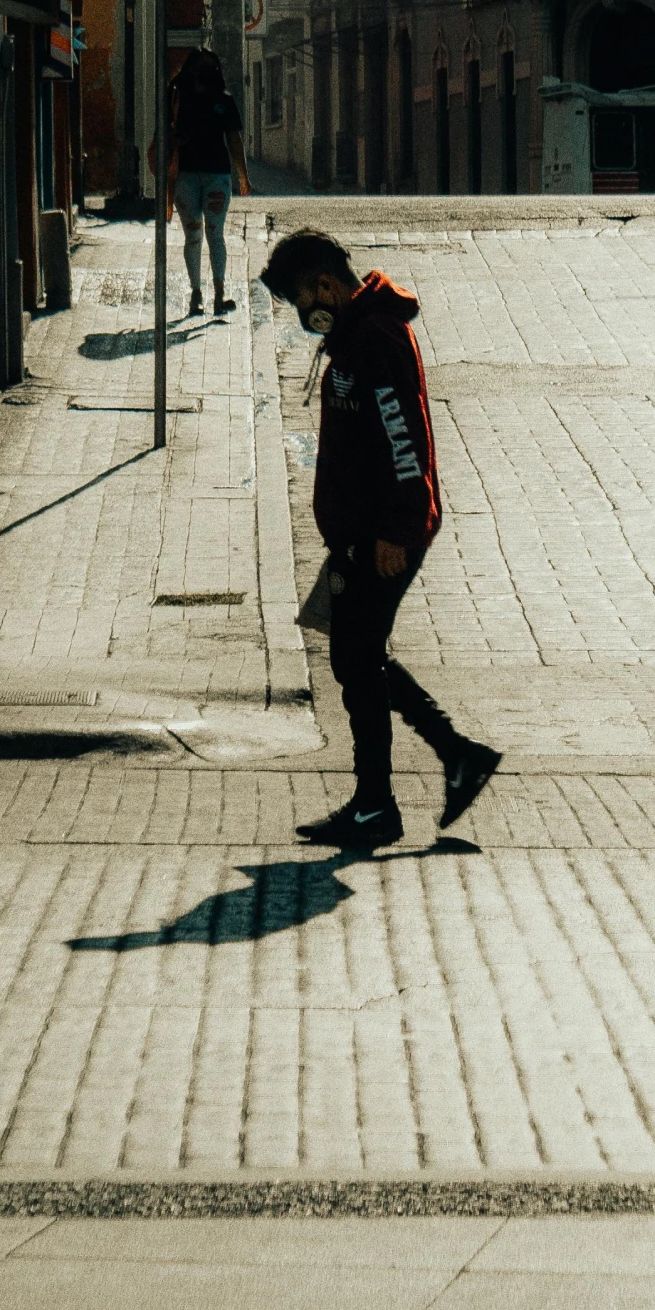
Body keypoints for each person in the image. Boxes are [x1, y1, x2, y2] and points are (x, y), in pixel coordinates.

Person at [259, 226, 500, 850]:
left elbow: (404, 439)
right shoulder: (355, 335)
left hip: (384, 533)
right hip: (362, 533)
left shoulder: (374, 337)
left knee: (356, 658)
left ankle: (379, 805)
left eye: (297, 298)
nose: (300, 313)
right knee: (357, 655)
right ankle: (452, 758)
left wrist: (396, 530)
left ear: (325, 283)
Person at [169, 48, 250, 317]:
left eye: (212, 67)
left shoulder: (223, 100)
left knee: (213, 234)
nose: (209, 72)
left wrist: (242, 175)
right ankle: (197, 294)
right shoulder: (177, 96)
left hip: (216, 174)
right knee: (195, 235)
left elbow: (233, 139)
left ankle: (217, 294)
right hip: (187, 175)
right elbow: (166, 129)